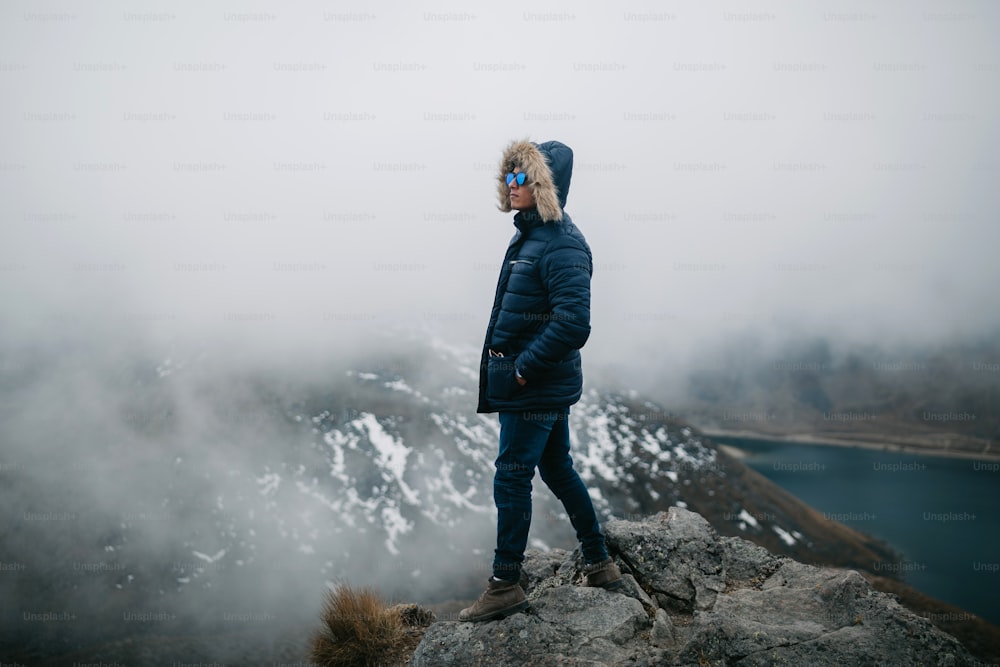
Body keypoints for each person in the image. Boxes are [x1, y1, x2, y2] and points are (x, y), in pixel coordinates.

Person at [459, 139, 621, 623]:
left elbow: (574, 322)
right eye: (508, 176)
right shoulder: (532, 235)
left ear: (545, 186)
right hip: (538, 382)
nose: (511, 186)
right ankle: (599, 562)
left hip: (535, 383)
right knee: (556, 468)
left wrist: (525, 366)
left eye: (521, 178)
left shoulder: (562, 244)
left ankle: (505, 583)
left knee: (512, 476)